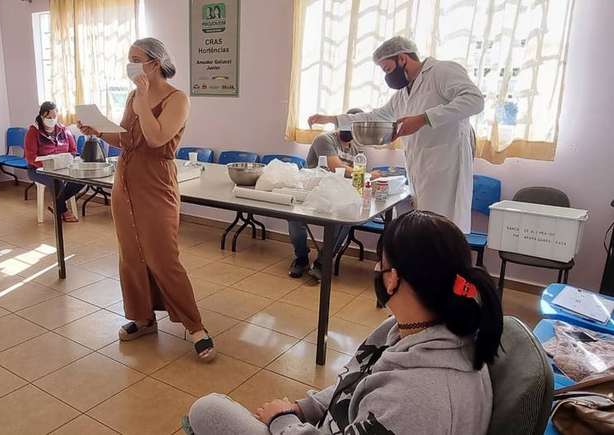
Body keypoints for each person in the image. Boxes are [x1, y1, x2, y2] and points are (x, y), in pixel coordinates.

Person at [188, 210, 504, 434]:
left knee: (207, 410)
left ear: (392, 279)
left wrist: (282, 421)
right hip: (326, 424)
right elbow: (351, 383)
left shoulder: (418, 401)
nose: (376, 270)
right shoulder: (410, 329)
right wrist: (301, 409)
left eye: (381, 262)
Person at [79, 38, 216, 362]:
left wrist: (142, 97)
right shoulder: (132, 96)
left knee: (163, 256)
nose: (130, 65)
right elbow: (129, 138)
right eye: (129, 58)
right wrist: (98, 131)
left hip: (156, 182)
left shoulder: (177, 99)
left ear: (155, 63)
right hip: (125, 181)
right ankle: (143, 318)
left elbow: (156, 138)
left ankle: (195, 325)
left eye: (136, 59)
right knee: (132, 254)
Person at [308, 36, 484, 233]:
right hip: (421, 166)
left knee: (442, 230)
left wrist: (423, 119)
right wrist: (332, 119)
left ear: (402, 59)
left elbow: (474, 100)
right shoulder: (402, 94)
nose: (387, 76)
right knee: (425, 229)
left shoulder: (442, 71)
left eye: (387, 69)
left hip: (446, 165)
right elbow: (375, 116)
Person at [288, 108, 364, 280]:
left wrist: (363, 176)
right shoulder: (324, 139)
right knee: (294, 217)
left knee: (346, 218)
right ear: (340, 125)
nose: (350, 131)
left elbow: (358, 176)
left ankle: (323, 262)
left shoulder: (357, 151)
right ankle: (301, 258)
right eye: (348, 125)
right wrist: (363, 174)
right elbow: (334, 165)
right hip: (311, 191)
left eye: (355, 127)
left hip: (335, 195)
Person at [24, 101, 84, 223]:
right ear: (41, 116)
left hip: (62, 167)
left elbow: (73, 150)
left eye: (54, 117)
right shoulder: (33, 131)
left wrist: (66, 160)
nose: (51, 119)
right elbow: (30, 157)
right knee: (57, 181)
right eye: (48, 117)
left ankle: (55, 204)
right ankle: (63, 210)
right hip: (38, 169)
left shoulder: (63, 130)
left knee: (81, 178)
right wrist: (48, 165)